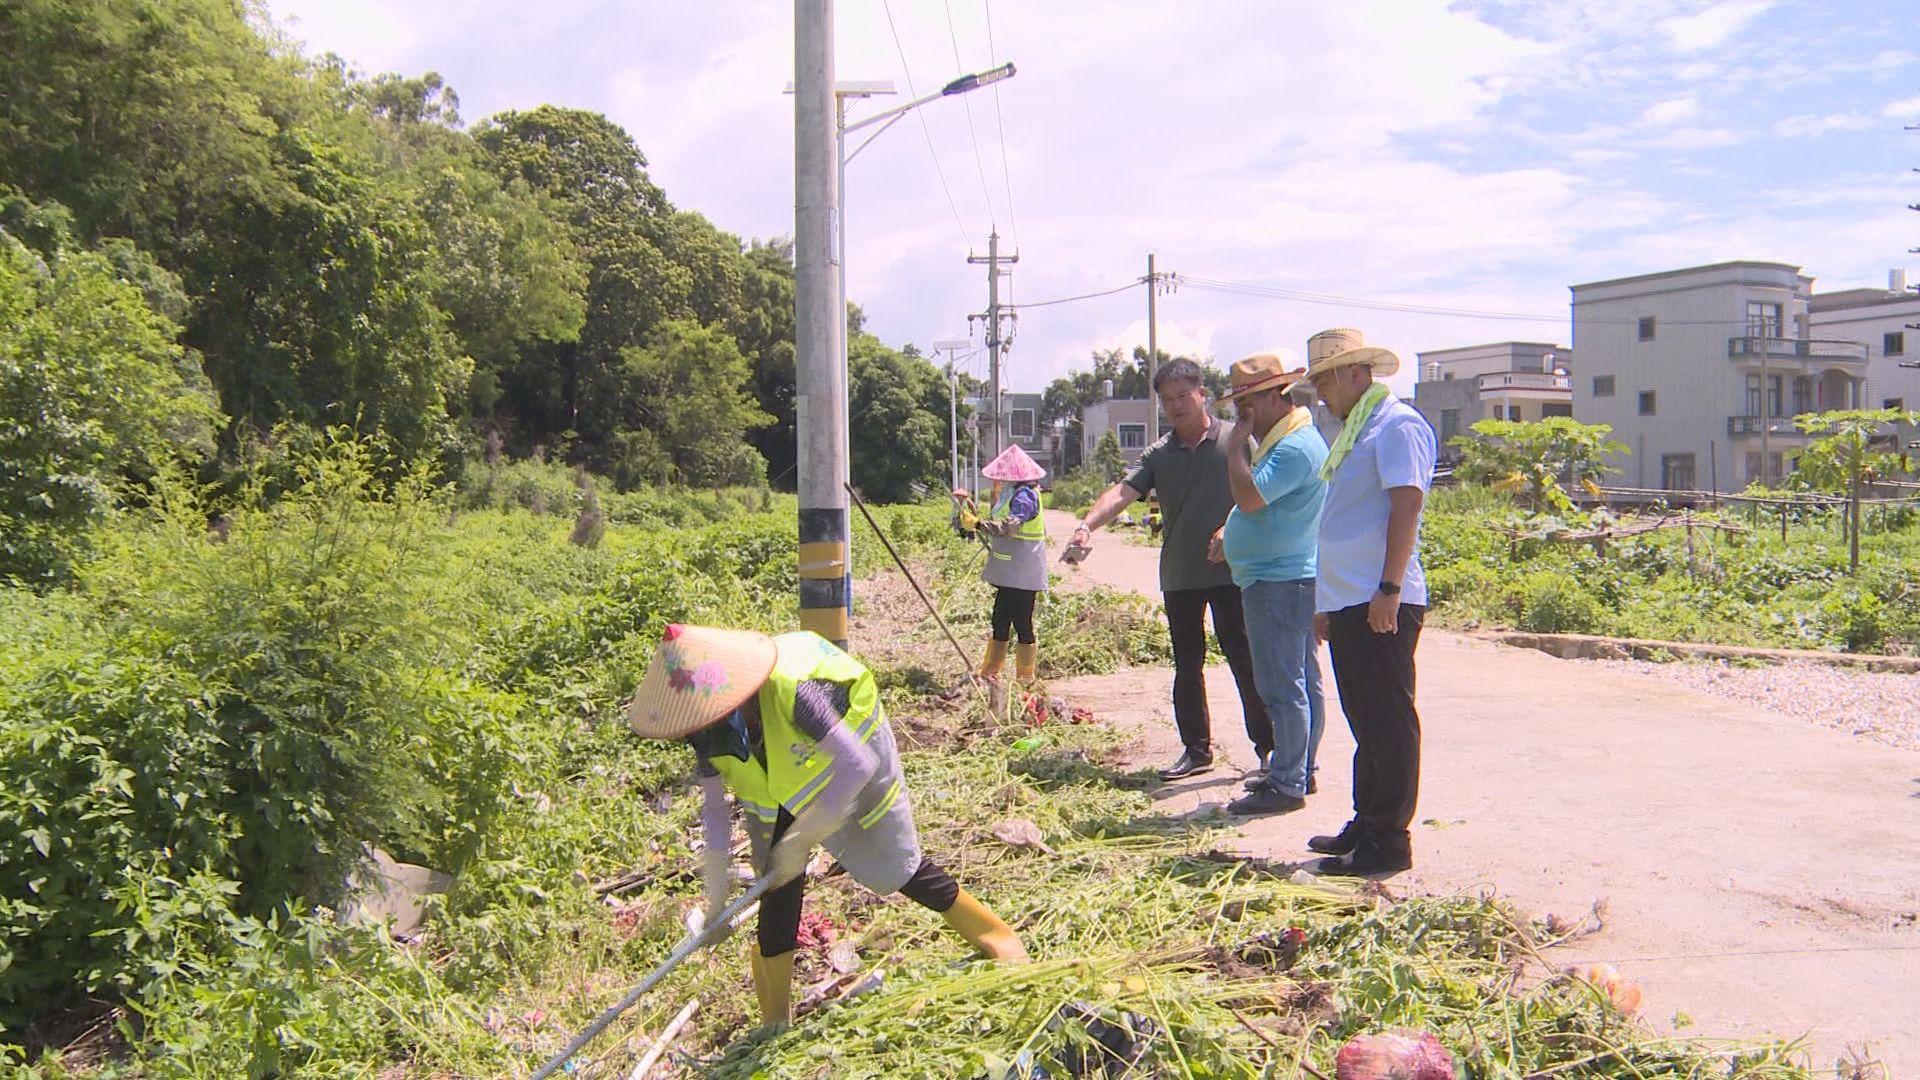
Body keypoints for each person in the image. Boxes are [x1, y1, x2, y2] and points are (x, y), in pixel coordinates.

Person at [626, 624, 1028, 1031]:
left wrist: (804, 836)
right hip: (784, 774)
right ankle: (774, 1020)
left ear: (737, 698)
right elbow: (714, 816)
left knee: (894, 865)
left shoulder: (794, 692)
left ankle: (998, 938)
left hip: (853, 743)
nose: (704, 730)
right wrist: (716, 901)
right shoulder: (708, 733)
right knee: (777, 885)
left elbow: (856, 764)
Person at [1071, 359, 1272, 781]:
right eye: (1168, 399)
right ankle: (1196, 750)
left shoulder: (1234, 441)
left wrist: (1230, 527)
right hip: (1181, 575)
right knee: (1187, 665)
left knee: (1245, 660)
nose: (1177, 405)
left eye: (1184, 395)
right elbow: (1123, 492)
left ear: (1203, 394)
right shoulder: (1159, 454)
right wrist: (1086, 525)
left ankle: (1269, 750)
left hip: (1234, 572)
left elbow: (1262, 492)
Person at [1301, 329, 1436, 876]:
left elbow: (1406, 506)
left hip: (1382, 598)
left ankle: (1389, 840)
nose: (1319, 392)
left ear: (1356, 374)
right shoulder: (1352, 430)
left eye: (1325, 379)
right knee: (1365, 720)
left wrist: (1389, 588)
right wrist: (1327, 601)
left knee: (1388, 719)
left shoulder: (1398, 425)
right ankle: (1368, 820)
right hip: (1352, 598)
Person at [1207, 354, 1331, 817]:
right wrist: (1231, 531)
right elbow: (1260, 501)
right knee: (1300, 680)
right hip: (1286, 576)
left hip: (1278, 580)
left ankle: (1287, 782)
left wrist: (1235, 446)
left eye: (1245, 404)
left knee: (1282, 686)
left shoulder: (1293, 447)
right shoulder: (1290, 441)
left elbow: (1251, 496)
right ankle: (1300, 768)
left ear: (1270, 398)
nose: (1242, 416)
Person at [952, 445, 1049, 688]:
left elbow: (1009, 527)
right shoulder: (1011, 492)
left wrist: (980, 525)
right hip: (1009, 571)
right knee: (1000, 619)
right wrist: (976, 519)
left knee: (1022, 622)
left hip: (1024, 570)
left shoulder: (1025, 496)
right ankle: (990, 673)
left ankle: (1026, 678)